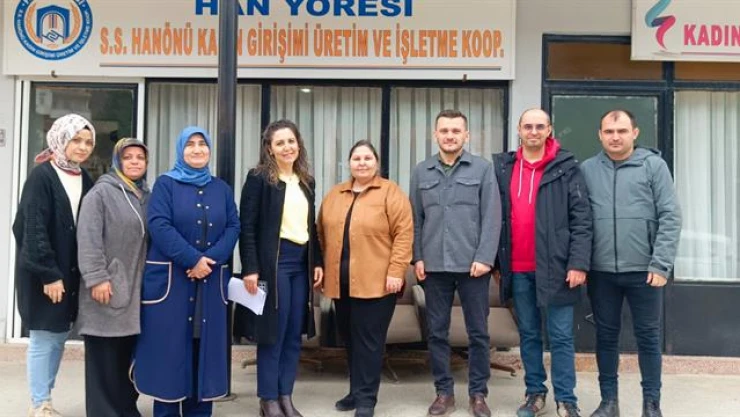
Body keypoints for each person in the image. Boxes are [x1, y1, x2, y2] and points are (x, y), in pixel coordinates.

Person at [131, 126, 240, 417]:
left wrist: (209, 260)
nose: (197, 149)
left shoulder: (221, 188)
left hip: (209, 284)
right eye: (190, 144)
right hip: (172, 286)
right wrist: (192, 260)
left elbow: (233, 226)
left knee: (204, 353)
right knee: (169, 356)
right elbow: (159, 225)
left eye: (202, 144)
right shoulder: (165, 184)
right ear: (181, 150)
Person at [580, 110, 681, 417]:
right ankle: (609, 402)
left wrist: (660, 265)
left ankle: (651, 403)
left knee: (648, 338)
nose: (615, 137)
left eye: (622, 131)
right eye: (609, 131)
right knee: (605, 337)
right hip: (601, 272)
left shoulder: (654, 166)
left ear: (635, 133)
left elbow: (670, 216)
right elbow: (579, 220)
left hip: (645, 271)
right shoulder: (587, 169)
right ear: (600, 135)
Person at [493, 108, 592, 417]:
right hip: (518, 268)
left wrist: (578, 263)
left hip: (558, 268)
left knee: (561, 337)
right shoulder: (505, 168)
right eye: (528, 126)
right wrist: (497, 263)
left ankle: (566, 399)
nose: (533, 131)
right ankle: (535, 393)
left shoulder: (566, 167)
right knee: (529, 335)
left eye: (539, 126)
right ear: (519, 130)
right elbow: (495, 218)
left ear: (549, 130)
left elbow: (582, 219)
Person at [409, 109, 501, 417]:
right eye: (445, 131)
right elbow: (415, 219)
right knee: (437, 332)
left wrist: (485, 258)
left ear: (466, 135)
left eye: (456, 131)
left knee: (478, 333)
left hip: (473, 267)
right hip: (434, 267)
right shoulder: (421, 171)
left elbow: (492, 217)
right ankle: (443, 393)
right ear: (435, 135)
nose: (450, 136)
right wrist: (418, 257)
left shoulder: (483, 169)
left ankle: (478, 394)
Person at [318, 140, 413, 417]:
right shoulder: (335, 194)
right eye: (356, 158)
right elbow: (321, 232)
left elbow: (404, 234)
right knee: (349, 340)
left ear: (377, 163)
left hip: (377, 283)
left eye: (367, 158)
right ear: (349, 163)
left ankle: (367, 399)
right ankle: (355, 391)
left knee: (369, 343)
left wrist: (396, 271)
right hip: (341, 282)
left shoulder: (390, 192)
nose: (362, 163)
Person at [236, 119, 323, 417]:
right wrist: (250, 268)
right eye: (280, 143)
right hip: (274, 264)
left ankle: (285, 395)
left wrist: (317, 262)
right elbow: (247, 226)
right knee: (273, 333)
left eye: (291, 141)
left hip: (301, 264)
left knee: (293, 334)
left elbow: (311, 227)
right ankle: (268, 399)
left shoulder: (306, 181)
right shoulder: (259, 179)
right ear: (270, 149)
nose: (287, 147)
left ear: (299, 144)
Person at [13, 114, 95, 417]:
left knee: (59, 335)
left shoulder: (84, 177)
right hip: (44, 274)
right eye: (76, 140)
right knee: (43, 336)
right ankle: (40, 403)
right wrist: (49, 274)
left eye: (88, 142)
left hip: (69, 274)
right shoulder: (42, 176)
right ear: (60, 140)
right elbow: (31, 228)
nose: (83, 147)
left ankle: (44, 397)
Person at [77, 138, 150, 417]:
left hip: (135, 291)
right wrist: (97, 277)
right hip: (107, 287)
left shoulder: (145, 195)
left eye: (140, 157)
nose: (134, 162)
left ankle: (125, 409)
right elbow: (88, 239)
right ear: (117, 161)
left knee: (124, 358)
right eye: (128, 157)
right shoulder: (100, 194)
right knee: (104, 358)